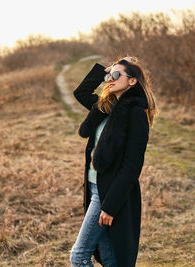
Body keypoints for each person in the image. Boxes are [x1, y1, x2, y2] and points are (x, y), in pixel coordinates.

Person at [70, 56, 159, 267]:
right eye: (110, 75)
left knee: (79, 256)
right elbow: (80, 93)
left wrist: (109, 207)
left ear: (132, 81)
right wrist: (107, 70)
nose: (111, 78)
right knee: (111, 261)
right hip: (93, 187)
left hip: (108, 193)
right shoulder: (104, 107)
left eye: (117, 75)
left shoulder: (136, 115)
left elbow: (132, 167)